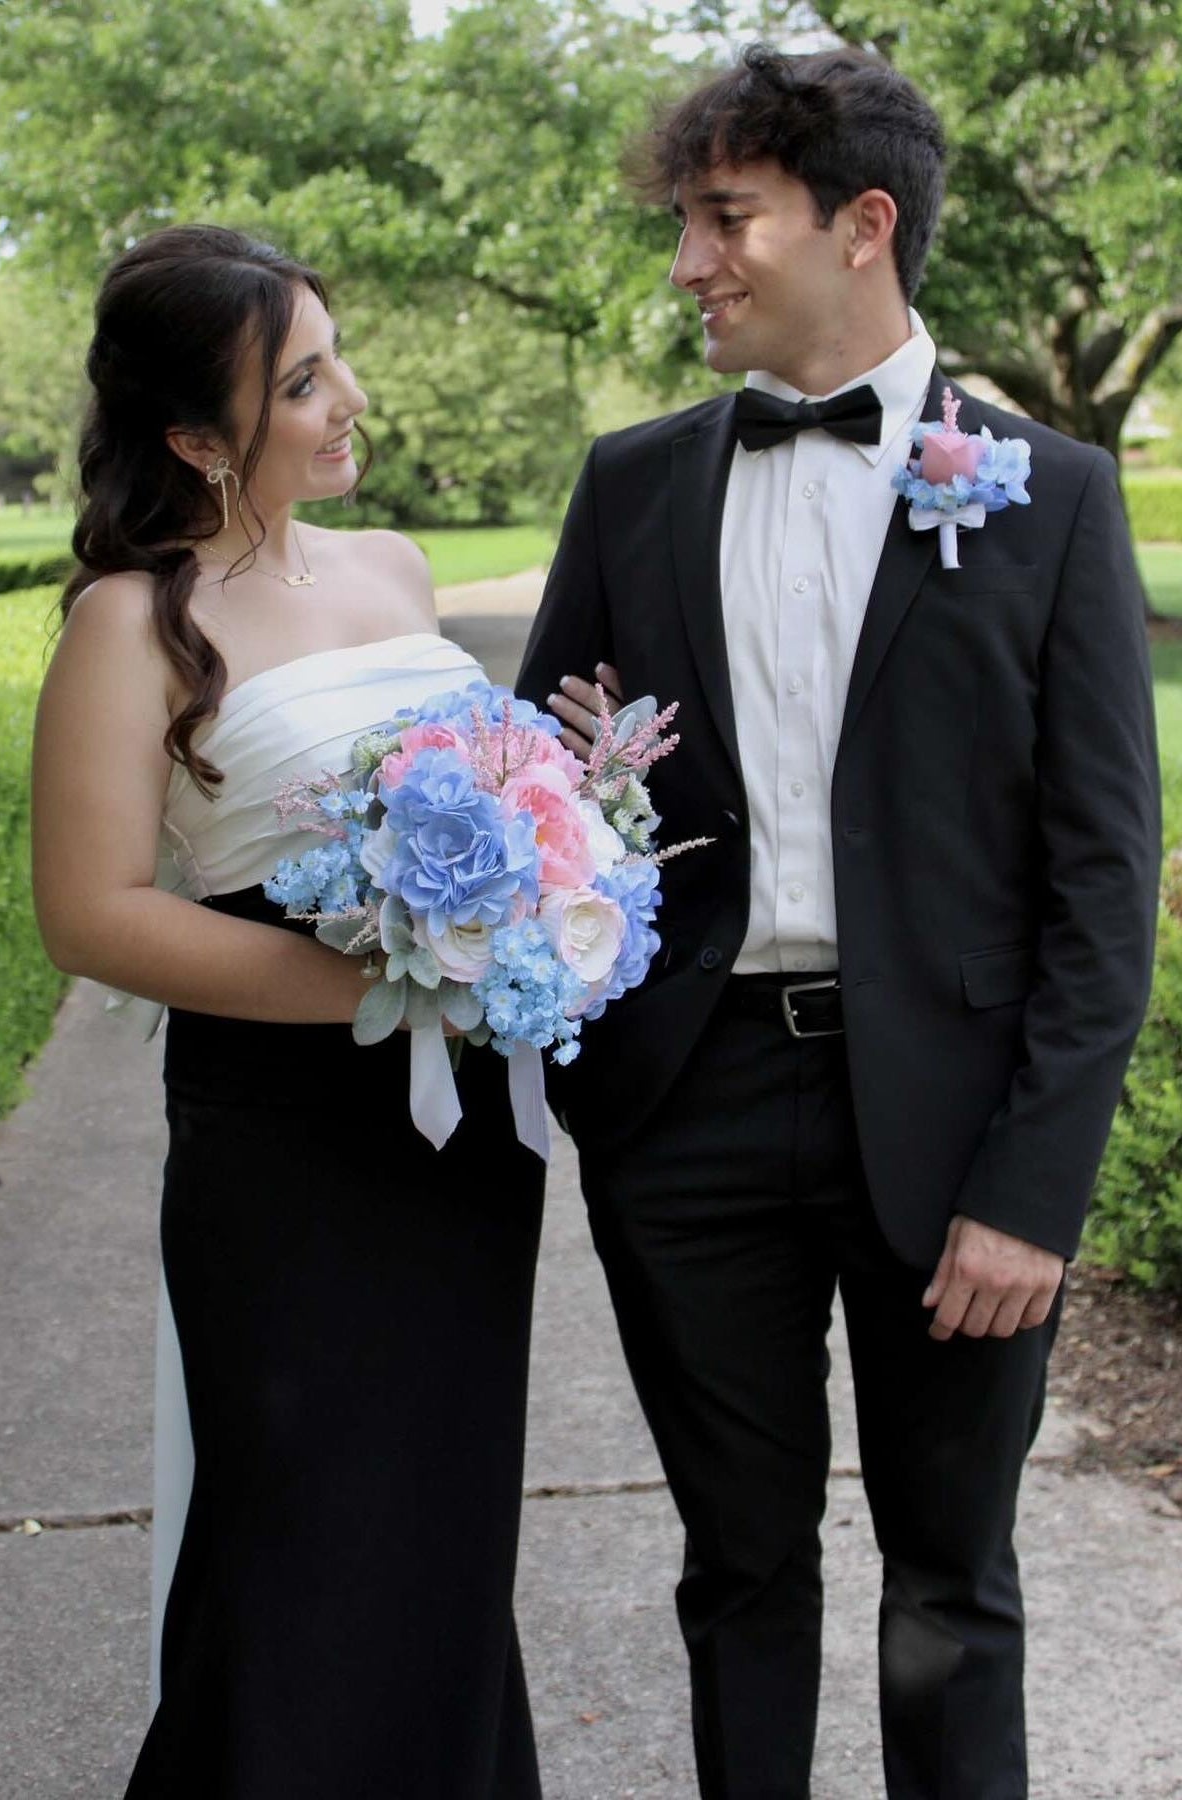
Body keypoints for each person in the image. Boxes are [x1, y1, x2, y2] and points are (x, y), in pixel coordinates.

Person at [518, 44, 1160, 1800]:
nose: (688, 263)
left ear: (861, 226)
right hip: (688, 1117)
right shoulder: (629, 486)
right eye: (687, 222)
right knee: (739, 1572)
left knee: (953, 1582)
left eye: (725, 219)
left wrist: (1033, 1193)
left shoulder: (1053, 498)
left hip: (955, 1133)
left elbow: (1105, 884)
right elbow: (546, 814)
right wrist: (602, 1087)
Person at [32, 225, 544, 1800]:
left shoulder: (394, 569)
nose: (350, 401)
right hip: (282, 1143)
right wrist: (382, 980)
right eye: (303, 382)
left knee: (448, 1525)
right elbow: (93, 912)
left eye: (336, 357)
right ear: (196, 437)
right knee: (300, 1527)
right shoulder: (133, 624)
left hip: (460, 1142)